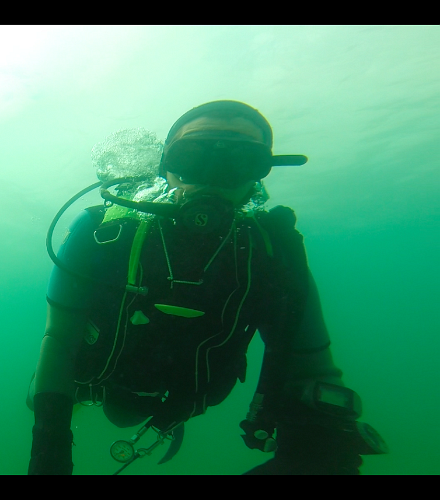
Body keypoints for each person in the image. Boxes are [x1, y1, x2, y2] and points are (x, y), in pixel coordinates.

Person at [28, 100, 386, 475]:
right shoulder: (100, 232)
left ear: (258, 175)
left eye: (240, 160)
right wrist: (49, 449)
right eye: (192, 156)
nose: (213, 178)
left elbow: (312, 368)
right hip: (93, 380)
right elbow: (59, 339)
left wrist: (322, 445)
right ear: (165, 166)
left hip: (182, 400)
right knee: (53, 398)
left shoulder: (274, 256)